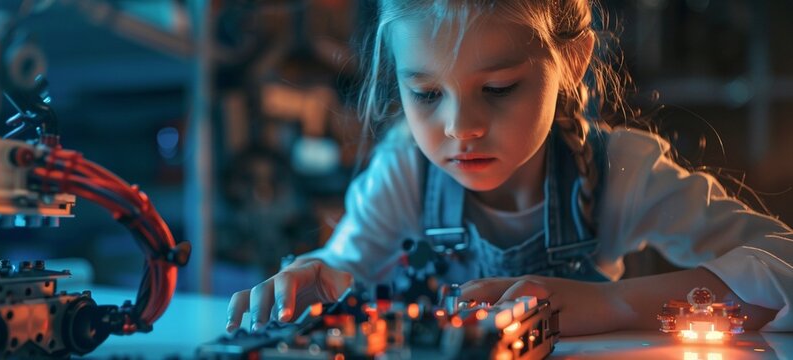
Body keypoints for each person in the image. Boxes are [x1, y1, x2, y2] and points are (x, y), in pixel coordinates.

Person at [226, 0, 793, 336]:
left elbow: (784, 268)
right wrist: (314, 275)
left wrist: (609, 304)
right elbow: (342, 265)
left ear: (571, 60)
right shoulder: (404, 170)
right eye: (425, 94)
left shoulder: (623, 170)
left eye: (498, 88)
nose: (460, 128)